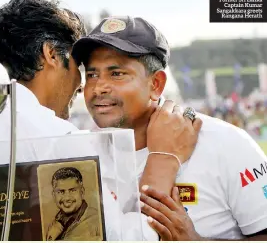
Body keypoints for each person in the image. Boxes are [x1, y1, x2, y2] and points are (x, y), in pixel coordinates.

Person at [0, 0, 200, 241]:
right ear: (52, 54)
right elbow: (131, 239)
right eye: (79, 67)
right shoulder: (57, 141)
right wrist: (163, 159)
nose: (82, 84)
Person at [71, 16, 267, 240]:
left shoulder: (226, 143)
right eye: (92, 75)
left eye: (117, 74)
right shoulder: (82, 157)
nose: (99, 87)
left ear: (156, 84)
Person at [46, 167, 101, 241]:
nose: (67, 198)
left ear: (82, 192)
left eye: (72, 190)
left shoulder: (97, 221)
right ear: (53, 195)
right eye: (61, 192)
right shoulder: (54, 224)